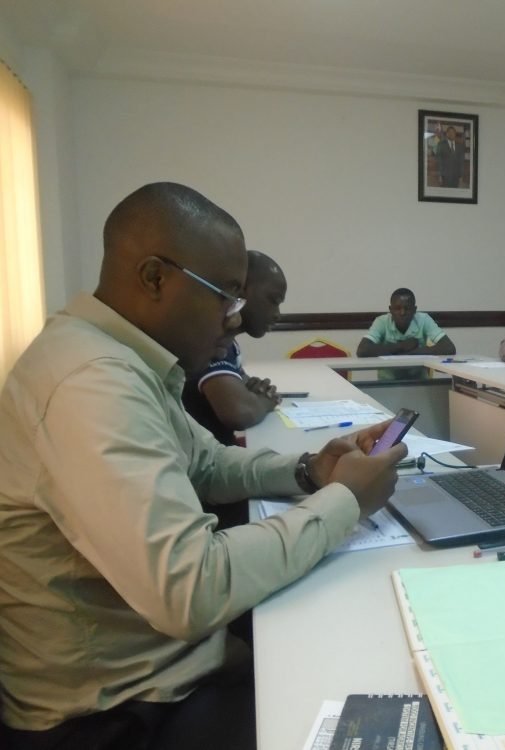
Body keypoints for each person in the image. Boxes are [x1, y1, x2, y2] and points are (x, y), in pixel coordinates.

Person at [0, 182, 406, 750]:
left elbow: (207, 463)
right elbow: (190, 588)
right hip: (114, 713)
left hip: (154, 663)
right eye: (226, 296)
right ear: (154, 277)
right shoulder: (89, 383)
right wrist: (346, 502)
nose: (233, 320)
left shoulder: (118, 358)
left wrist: (312, 470)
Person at [182, 250, 287, 446]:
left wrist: (253, 394)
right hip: (208, 459)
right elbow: (239, 412)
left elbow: (246, 388)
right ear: (240, 290)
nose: (277, 315)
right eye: (273, 301)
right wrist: (265, 402)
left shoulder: (229, 344)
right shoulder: (212, 343)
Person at [356, 288, 456, 357]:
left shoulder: (424, 319)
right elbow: (362, 350)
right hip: (387, 380)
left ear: (414, 310)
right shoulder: (382, 321)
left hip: (419, 379)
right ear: (390, 310)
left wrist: (410, 353)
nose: (402, 313)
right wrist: (402, 346)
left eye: (407, 308)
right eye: (397, 308)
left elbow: (449, 347)